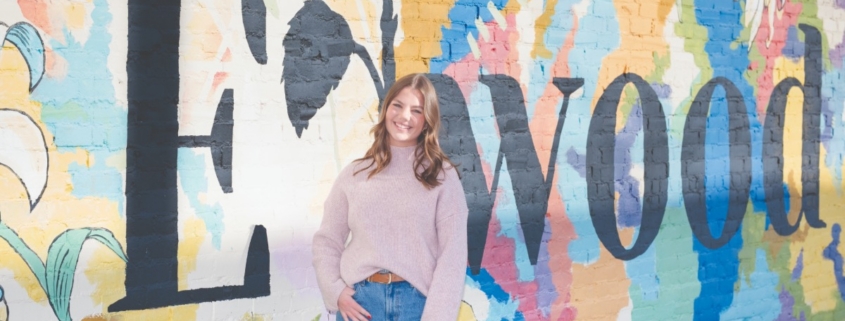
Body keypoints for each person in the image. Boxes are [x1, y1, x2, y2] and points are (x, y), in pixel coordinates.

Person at [312, 73, 469, 321]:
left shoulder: (442, 177)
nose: (405, 116)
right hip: (360, 303)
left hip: (417, 305)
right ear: (386, 110)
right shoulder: (354, 174)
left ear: (427, 121)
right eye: (398, 105)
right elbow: (327, 240)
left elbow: (453, 256)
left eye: (416, 111)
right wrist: (336, 291)